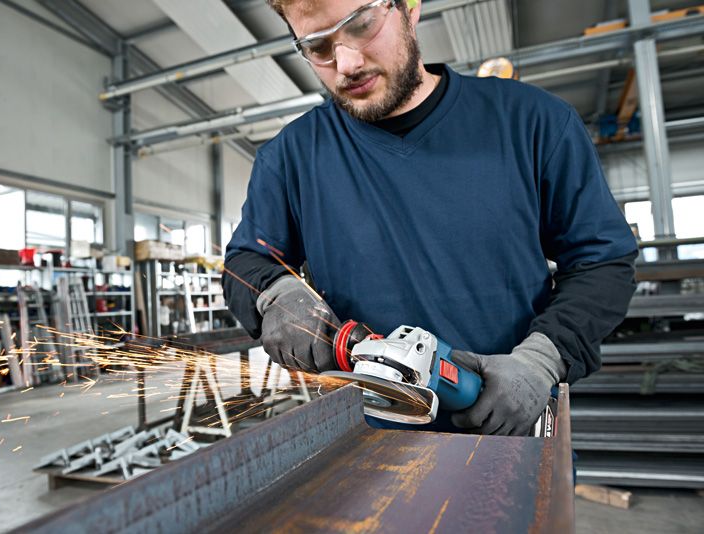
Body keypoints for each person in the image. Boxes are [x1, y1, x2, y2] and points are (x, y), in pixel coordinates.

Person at [223, 0, 637, 436]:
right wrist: (277, 294)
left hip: (515, 434)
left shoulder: (534, 123)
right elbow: (246, 261)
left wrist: (541, 359)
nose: (345, 63)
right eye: (317, 46)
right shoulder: (291, 157)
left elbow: (602, 261)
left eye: (361, 25)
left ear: (410, 8)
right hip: (360, 443)